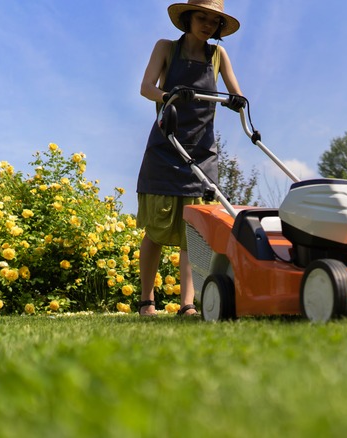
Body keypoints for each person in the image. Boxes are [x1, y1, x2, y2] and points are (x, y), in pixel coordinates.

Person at [136, 0, 245, 316]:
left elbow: (235, 92)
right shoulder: (166, 48)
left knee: (193, 235)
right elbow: (146, 88)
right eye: (201, 17)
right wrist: (168, 94)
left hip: (201, 154)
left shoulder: (217, 56)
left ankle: (187, 304)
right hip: (165, 149)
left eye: (214, 21)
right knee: (156, 230)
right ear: (187, 18)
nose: (208, 24)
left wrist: (236, 100)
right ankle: (147, 301)